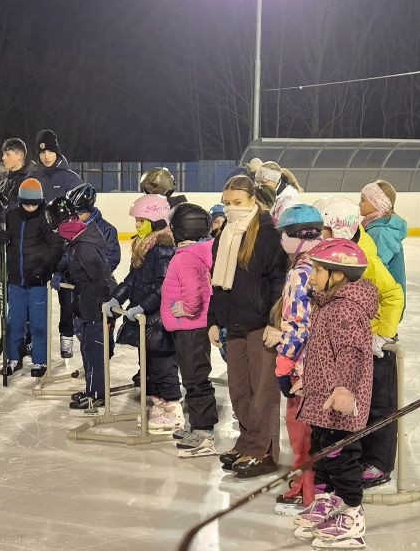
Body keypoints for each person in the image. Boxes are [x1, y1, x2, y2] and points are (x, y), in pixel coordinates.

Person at [288, 239, 379, 550]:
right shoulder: (329, 304)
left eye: (318, 270)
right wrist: (309, 381)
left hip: (340, 400)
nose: (312, 276)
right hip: (324, 396)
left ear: (337, 275)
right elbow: (324, 354)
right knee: (324, 456)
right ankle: (330, 503)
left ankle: (352, 515)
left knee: (342, 458)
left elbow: (351, 353)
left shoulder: (345, 310)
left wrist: (344, 389)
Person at [315, 195, 406, 489]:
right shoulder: (341, 252)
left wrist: (382, 334)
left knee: (380, 403)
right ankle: (358, 455)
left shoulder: (363, 258)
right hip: (352, 339)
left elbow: (393, 294)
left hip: (375, 343)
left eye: (324, 229)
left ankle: (379, 463)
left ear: (338, 228)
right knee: (359, 402)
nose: (320, 235)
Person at [209, 175, 288, 478]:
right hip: (234, 323)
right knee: (240, 390)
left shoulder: (269, 235)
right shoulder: (224, 235)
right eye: (227, 203)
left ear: (253, 200)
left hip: (260, 324)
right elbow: (216, 282)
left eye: (238, 203)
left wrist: (274, 321)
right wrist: (214, 320)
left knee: (262, 392)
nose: (232, 209)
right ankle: (247, 442)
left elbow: (278, 282)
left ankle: (263, 450)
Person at [268, 202, 326, 513]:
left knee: (301, 428)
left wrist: (286, 360)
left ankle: (307, 493)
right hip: (323, 362)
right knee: (313, 429)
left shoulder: (300, 273)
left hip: (303, 366)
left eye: (283, 234)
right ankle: (308, 486)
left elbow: (298, 322)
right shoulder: (325, 264)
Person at [111, 194, 180, 430]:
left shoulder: (163, 247)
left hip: (159, 319)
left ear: (155, 220)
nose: (137, 225)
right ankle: (159, 404)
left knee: (163, 364)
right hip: (146, 320)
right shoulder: (144, 245)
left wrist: (144, 305)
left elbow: (164, 284)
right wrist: (116, 298)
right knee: (149, 363)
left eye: (141, 221)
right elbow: (133, 279)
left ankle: (173, 409)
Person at [161, 202, 218, 458]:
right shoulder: (198, 252)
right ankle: (197, 425)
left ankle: (204, 433)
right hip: (191, 328)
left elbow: (193, 293)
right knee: (193, 377)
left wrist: (185, 309)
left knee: (195, 379)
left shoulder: (185, 257)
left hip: (190, 327)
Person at [55, 184, 117, 412]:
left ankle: (97, 394)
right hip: (87, 304)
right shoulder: (77, 240)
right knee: (89, 350)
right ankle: (92, 390)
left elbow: (101, 277)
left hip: (96, 306)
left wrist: (107, 309)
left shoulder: (87, 245)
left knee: (96, 351)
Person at [2, 177, 62, 378]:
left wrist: (43, 267)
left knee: (38, 323)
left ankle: (40, 360)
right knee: (15, 322)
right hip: (16, 279)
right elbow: (4, 246)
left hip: (37, 280)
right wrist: (0, 240)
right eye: (26, 203)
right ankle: (13, 358)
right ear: (20, 201)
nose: (30, 208)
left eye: (34, 204)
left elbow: (55, 247)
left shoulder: (46, 218)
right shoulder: (11, 216)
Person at [34, 132, 82, 356]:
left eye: (50, 151)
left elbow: (83, 214)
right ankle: (33, 338)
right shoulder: (33, 179)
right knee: (36, 296)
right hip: (40, 247)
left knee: (66, 295)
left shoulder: (71, 178)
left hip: (65, 248)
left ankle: (67, 335)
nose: (46, 156)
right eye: (42, 152)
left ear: (57, 152)